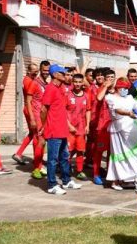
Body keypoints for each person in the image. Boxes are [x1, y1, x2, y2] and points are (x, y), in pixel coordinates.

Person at [41, 64, 82, 195]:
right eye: (62, 73)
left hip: (62, 130)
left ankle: (66, 181)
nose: (65, 75)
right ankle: (51, 185)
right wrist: (43, 126)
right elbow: (43, 109)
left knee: (64, 157)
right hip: (53, 130)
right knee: (53, 159)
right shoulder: (50, 89)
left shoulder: (60, 88)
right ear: (55, 75)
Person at [90, 69, 115, 185]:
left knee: (112, 152)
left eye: (112, 77)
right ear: (105, 79)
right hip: (102, 126)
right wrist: (105, 86)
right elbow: (99, 98)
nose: (110, 79)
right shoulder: (101, 89)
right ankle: (96, 174)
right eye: (108, 77)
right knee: (99, 151)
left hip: (114, 126)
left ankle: (110, 173)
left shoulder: (117, 91)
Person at [12, 62, 40, 165]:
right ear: (28, 71)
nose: (36, 73)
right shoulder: (29, 81)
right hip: (31, 109)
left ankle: (19, 153)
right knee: (36, 134)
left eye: (37, 71)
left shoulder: (28, 80)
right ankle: (37, 160)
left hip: (30, 109)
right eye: (34, 71)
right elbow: (30, 97)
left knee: (32, 133)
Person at [67, 73, 91, 180]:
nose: (77, 84)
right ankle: (66, 170)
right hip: (69, 129)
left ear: (82, 83)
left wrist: (87, 125)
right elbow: (63, 111)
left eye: (79, 82)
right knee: (68, 151)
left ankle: (80, 171)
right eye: (75, 82)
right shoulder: (68, 95)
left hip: (81, 128)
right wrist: (68, 125)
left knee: (80, 150)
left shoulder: (86, 95)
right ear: (72, 82)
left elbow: (88, 110)